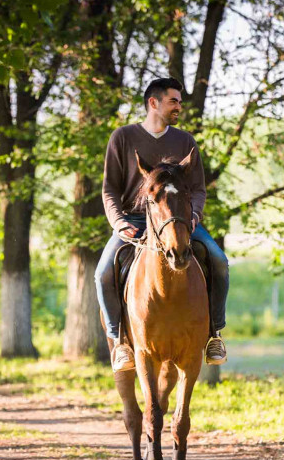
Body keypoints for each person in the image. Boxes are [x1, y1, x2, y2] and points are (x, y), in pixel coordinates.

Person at [95, 77, 229, 371]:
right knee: (103, 272)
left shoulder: (185, 141)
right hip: (133, 220)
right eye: (174, 101)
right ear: (153, 103)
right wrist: (118, 222)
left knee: (218, 260)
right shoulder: (122, 137)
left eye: (179, 102)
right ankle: (120, 342)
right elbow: (109, 190)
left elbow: (198, 189)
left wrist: (193, 216)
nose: (179, 106)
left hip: (180, 220)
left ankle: (214, 334)